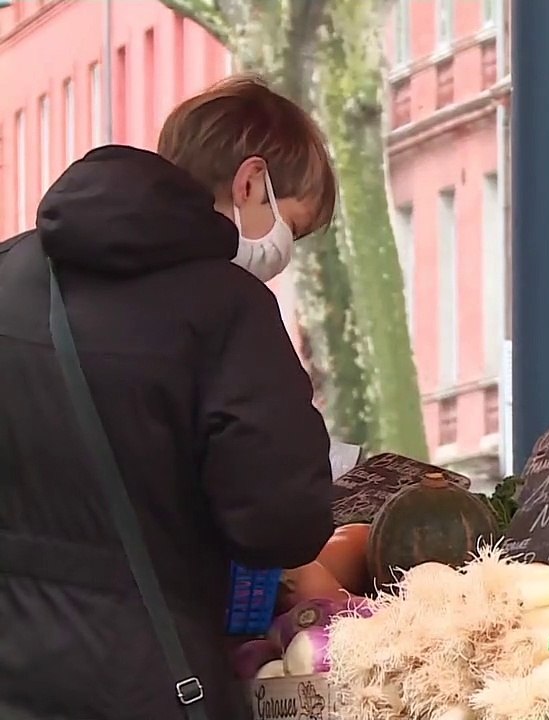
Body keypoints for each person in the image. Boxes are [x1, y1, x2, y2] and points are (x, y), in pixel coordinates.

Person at [0, 75, 337, 720]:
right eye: (290, 225)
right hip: (140, 681)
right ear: (249, 183)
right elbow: (280, 523)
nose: (283, 251)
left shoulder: (9, 271)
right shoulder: (229, 307)